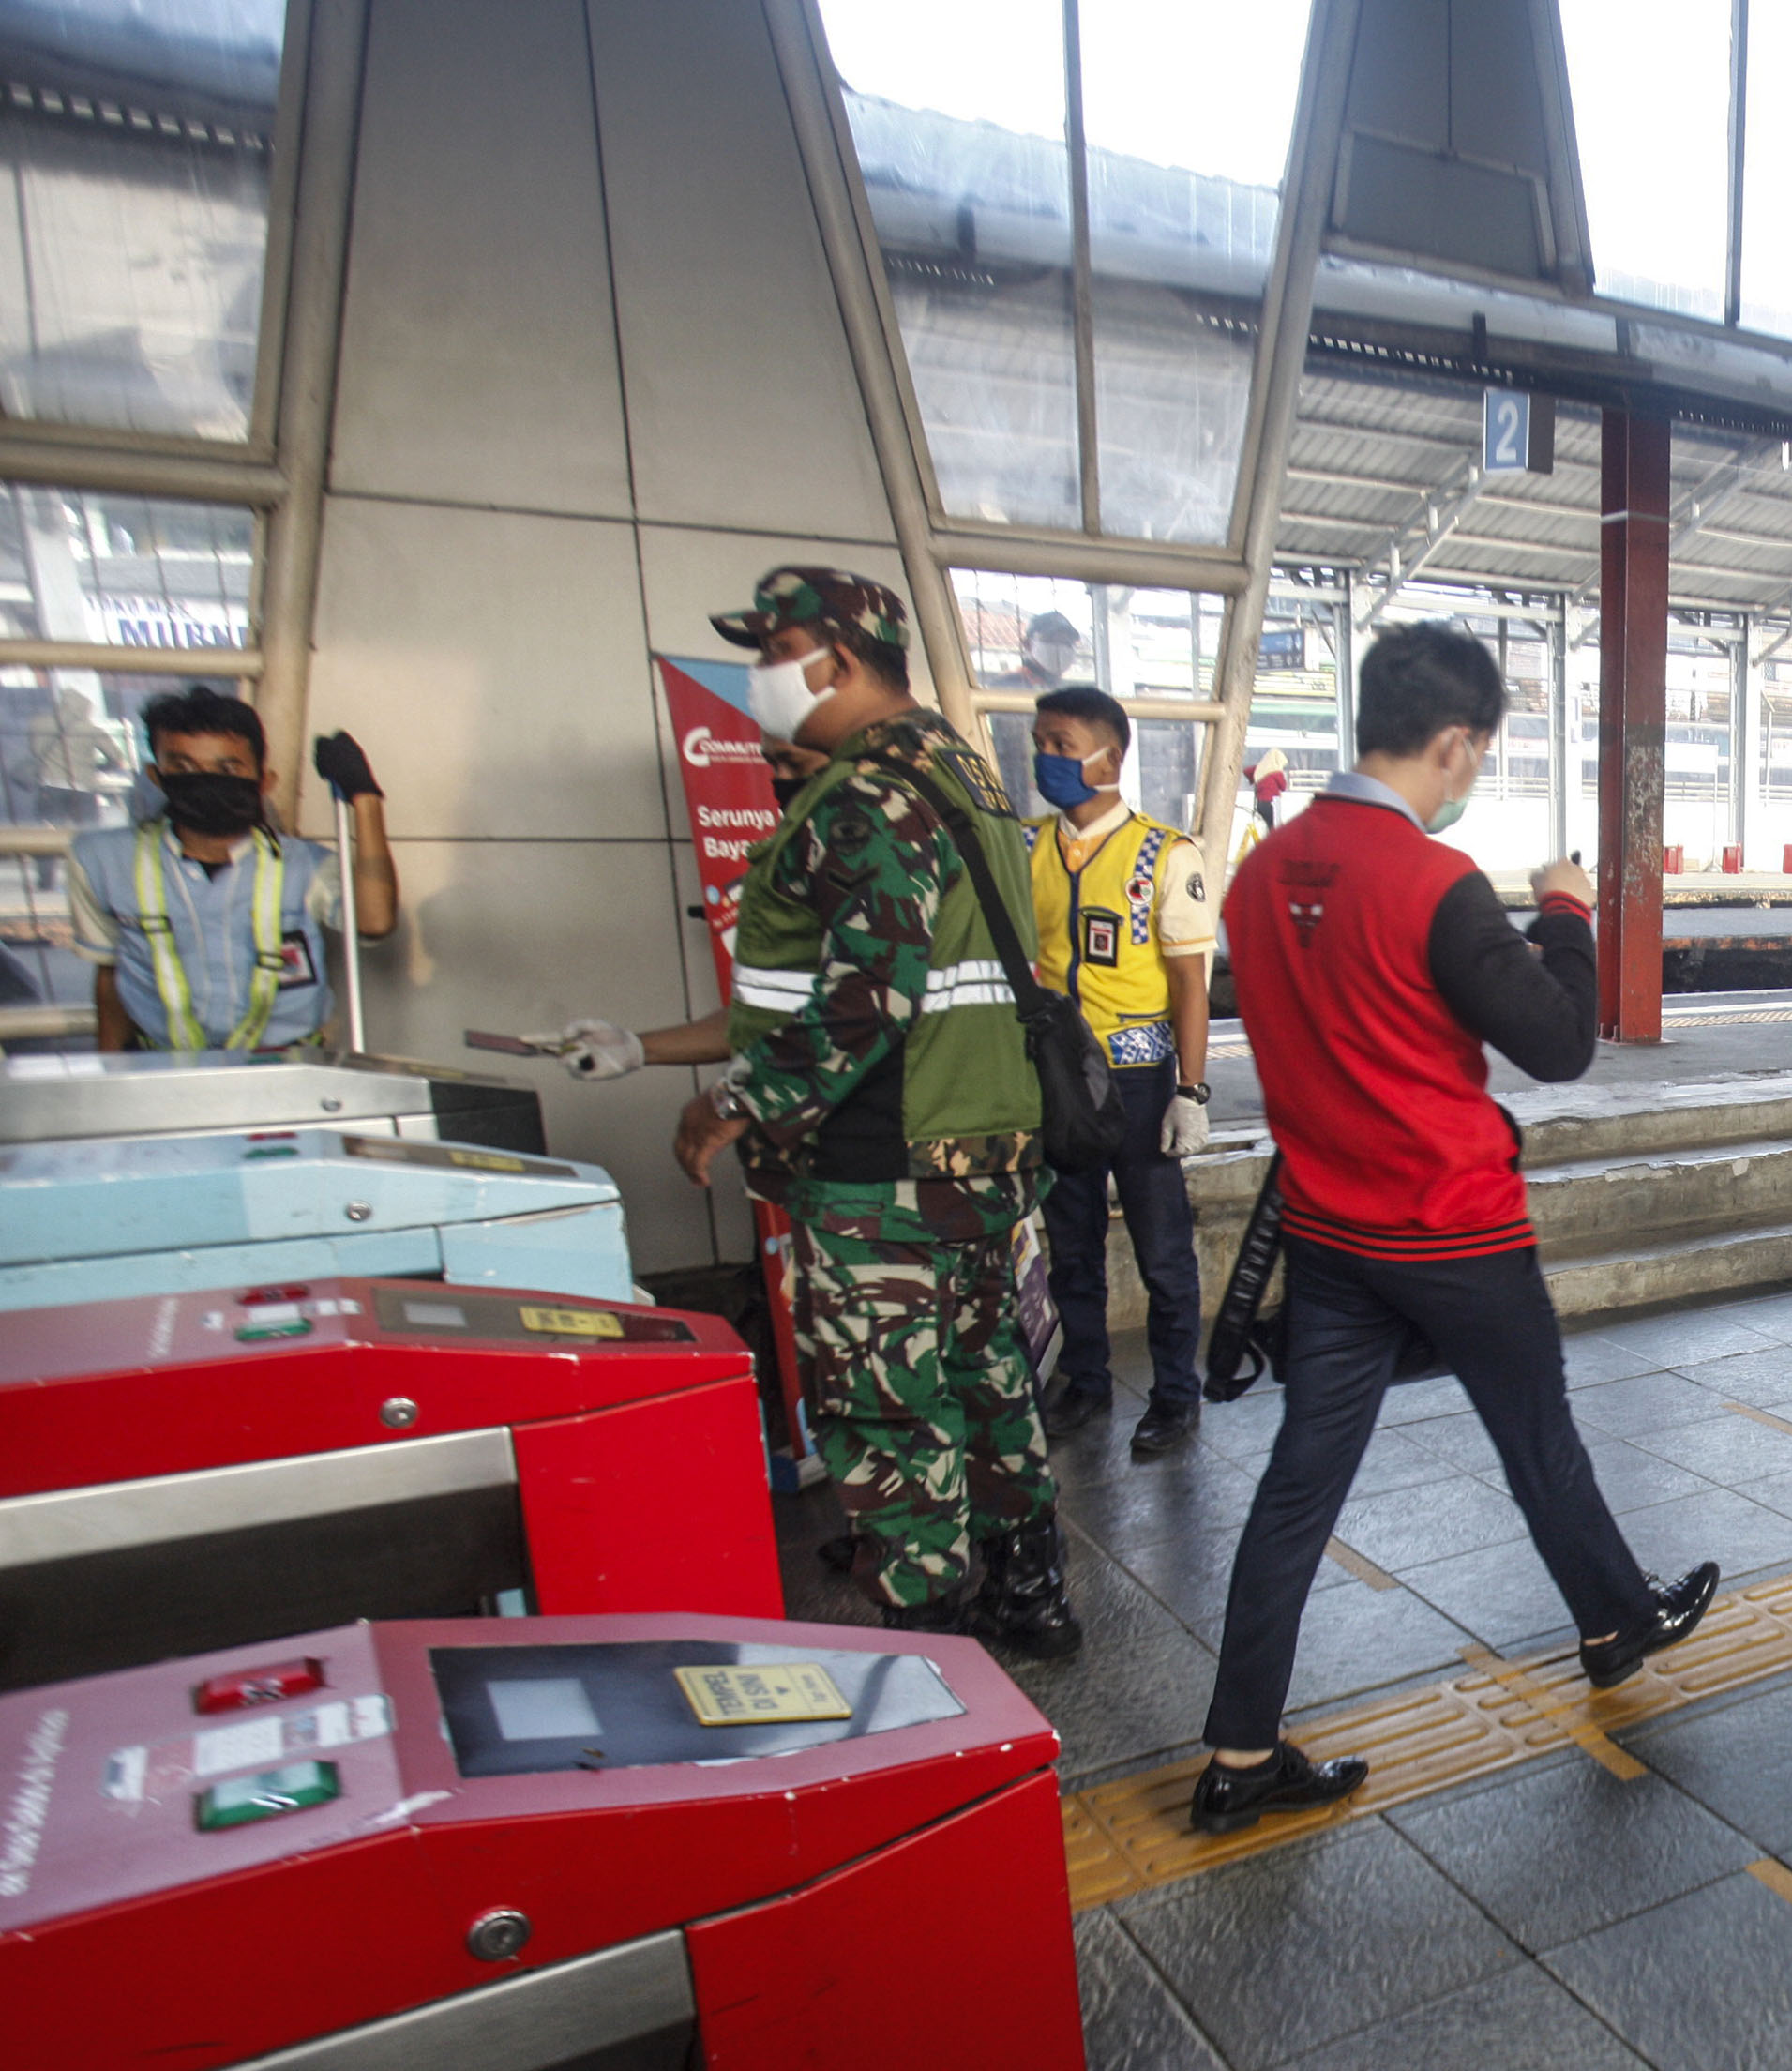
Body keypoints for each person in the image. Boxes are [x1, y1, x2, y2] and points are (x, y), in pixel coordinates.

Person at [1197, 621, 1717, 1835]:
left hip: (1332, 1241)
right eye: (1478, 750)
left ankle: (1237, 1751)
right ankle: (1613, 1621)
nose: (1475, 769)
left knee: (1296, 1492)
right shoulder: (1436, 884)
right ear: (1452, 742)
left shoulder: (1259, 878)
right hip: (1459, 1239)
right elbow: (1561, 1045)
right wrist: (1568, 911)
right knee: (1539, 1443)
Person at [550, 568, 1079, 1654]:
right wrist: (654, 1047)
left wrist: (731, 1102)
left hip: (881, 1167)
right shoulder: (961, 776)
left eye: (771, 652)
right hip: (975, 1150)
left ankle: (934, 1641)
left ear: (835, 662)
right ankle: (1029, 1594)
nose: (760, 680)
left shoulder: (865, 795)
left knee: (887, 1406)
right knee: (986, 1379)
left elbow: (861, 998)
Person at [1020, 683, 1219, 1459]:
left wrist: (1190, 1092)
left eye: (1063, 745)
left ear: (1112, 755)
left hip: (1138, 1082)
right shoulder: (1026, 848)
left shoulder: (1165, 854)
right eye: (1040, 742)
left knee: (1162, 1249)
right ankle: (1087, 1381)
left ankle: (1176, 1395)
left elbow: (1190, 984)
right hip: (1057, 1079)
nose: (1048, 757)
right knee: (1070, 1244)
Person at [68, 689, 397, 1055]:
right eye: (184, 768)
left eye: (227, 769)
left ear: (264, 780)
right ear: (156, 776)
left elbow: (375, 921)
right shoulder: (101, 860)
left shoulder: (306, 865)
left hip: (285, 1065)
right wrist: (114, 1075)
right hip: (162, 1066)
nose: (206, 780)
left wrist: (365, 798)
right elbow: (110, 975)